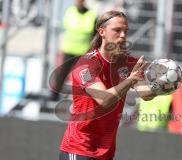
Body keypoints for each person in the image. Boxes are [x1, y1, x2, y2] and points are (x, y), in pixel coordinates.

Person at [59, 11, 157, 160]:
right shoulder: (86, 64)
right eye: (117, 30)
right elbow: (104, 99)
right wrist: (130, 80)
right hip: (79, 150)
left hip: (106, 153)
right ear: (102, 32)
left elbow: (146, 94)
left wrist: (161, 84)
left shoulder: (128, 63)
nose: (123, 35)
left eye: (126, 31)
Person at [51, 0, 97, 100]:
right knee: (62, 74)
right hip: (69, 48)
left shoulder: (92, 15)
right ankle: (54, 96)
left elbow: (94, 34)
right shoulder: (70, 11)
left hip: (83, 51)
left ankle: (88, 98)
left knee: (85, 76)